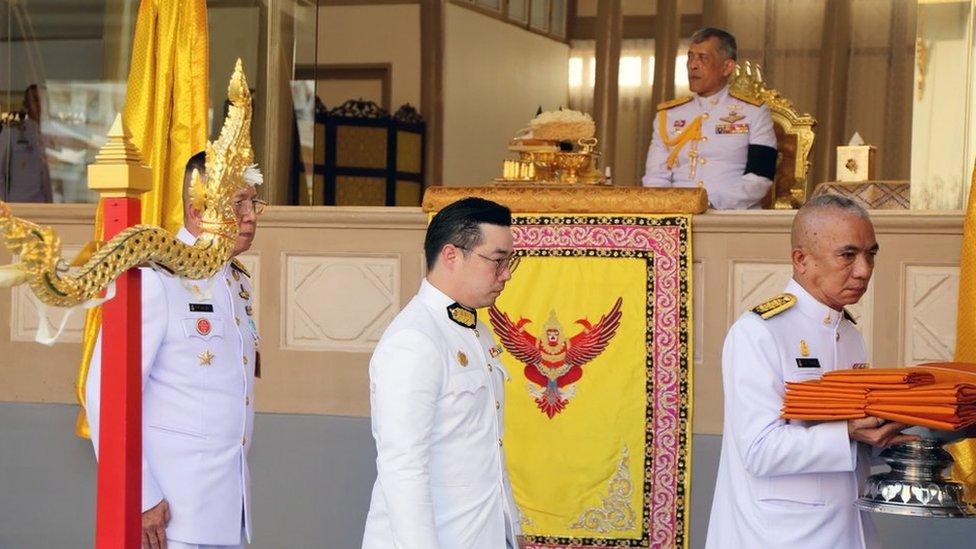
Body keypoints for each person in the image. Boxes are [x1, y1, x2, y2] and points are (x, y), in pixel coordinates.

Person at [705, 194, 917, 549]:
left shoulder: (849, 335)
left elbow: (852, 445)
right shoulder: (760, 332)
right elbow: (759, 450)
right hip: (778, 536)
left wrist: (901, 434)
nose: (864, 270)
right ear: (801, 260)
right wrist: (849, 433)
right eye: (848, 255)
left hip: (847, 530)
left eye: (871, 254)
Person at [86, 151, 265, 549]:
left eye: (254, 202)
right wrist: (141, 496)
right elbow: (105, 394)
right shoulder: (156, 279)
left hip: (223, 508)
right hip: (168, 516)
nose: (251, 215)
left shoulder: (235, 281)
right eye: (238, 203)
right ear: (197, 208)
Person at [362, 197, 521, 549]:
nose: (506, 273)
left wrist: (512, 530)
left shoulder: (475, 331)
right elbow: (403, 468)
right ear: (451, 255)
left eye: (509, 261)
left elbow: (487, 448)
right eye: (497, 261)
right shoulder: (415, 339)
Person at [641, 27, 777, 210]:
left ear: (727, 67)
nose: (692, 65)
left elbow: (759, 178)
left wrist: (708, 204)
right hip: (676, 216)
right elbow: (655, 177)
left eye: (703, 58)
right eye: (690, 57)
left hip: (732, 218)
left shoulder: (754, 112)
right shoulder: (668, 115)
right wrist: (669, 210)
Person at [0, 84, 53, 203]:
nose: (40, 104)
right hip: (19, 205)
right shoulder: (13, 130)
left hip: (44, 205)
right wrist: (3, 205)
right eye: (35, 99)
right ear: (25, 104)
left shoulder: (51, 132)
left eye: (43, 100)